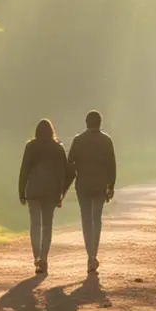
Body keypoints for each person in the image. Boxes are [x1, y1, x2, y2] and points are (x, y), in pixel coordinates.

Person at [18, 118, 70, 275]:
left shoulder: (31, 147)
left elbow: (24, 170)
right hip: (50, 191)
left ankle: (36, 257)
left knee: (35, 224)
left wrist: (21, 190)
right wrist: (61, 193)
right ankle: (44, 259)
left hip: (33, 190)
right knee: (47, 226)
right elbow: (63, 173)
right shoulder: (58, 148)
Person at [66, 111, 116, 274]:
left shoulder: (78, 140)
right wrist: (111, 186)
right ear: (100, 123)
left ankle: (90, 255)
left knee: (86, 220)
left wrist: (64, 187)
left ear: (86, 123)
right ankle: (94, 254)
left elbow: (70, 165)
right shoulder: (106, 140)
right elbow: (111, 165)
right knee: (97, 219)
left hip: (83, 185)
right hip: (100, 185)